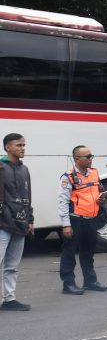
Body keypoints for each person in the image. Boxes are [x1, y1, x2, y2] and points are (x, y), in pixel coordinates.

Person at [57, 145, 107, 295]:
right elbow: (63, 202)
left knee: (88, 252)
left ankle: (90, 281)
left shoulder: (94, 173)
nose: (90, 159)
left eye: (91, 156)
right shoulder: (68, 177)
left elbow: (99, 190)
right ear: (76, 159)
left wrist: (101, 200)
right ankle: (68, 284)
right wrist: (66, 225)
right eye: (87, 157)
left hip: (91, 219)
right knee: (69, 252)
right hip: (76, 220)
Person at [0, 133, 33, 311]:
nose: (22, 148)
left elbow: (28, 196)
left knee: (12, 265)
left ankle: (9, 299)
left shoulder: (24, 169)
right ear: (8, 147)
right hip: (2, 224)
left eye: (24, 145)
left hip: (20, 223)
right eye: (19, 145)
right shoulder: (0, 167)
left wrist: (30, 219)